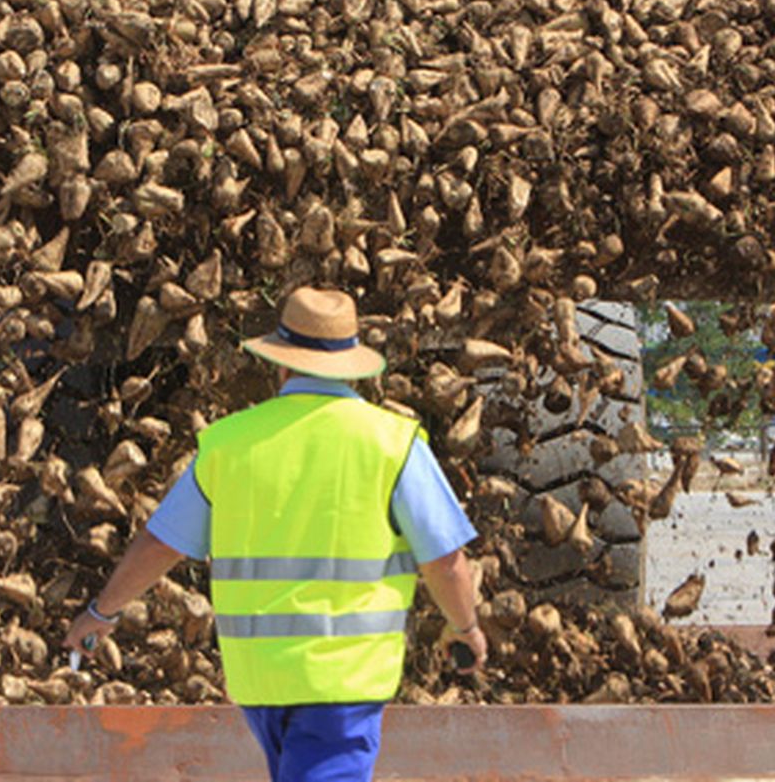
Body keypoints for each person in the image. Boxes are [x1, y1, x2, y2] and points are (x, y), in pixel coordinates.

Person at [64, 286, 485, 781]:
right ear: (352, 367)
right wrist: (465, 628)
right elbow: (445, 561)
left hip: (259, 681)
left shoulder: (230, 444)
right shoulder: (391, 444)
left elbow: (162, 543)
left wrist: (102, 612)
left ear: (280, 365)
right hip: (343, 681)